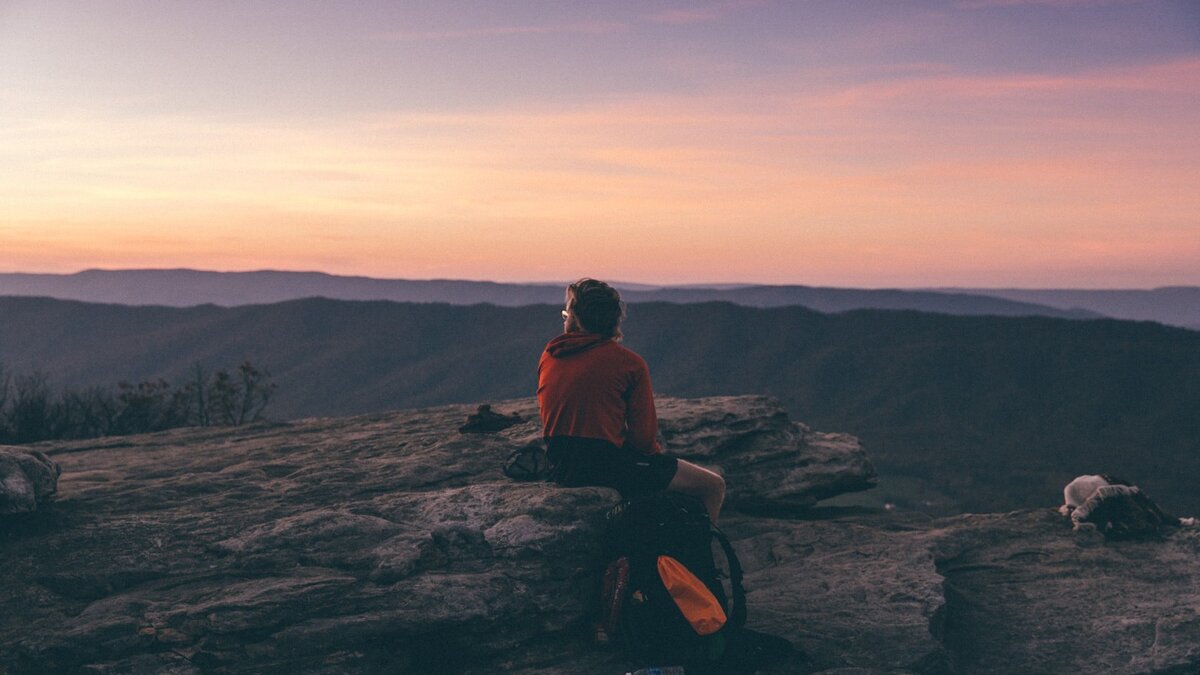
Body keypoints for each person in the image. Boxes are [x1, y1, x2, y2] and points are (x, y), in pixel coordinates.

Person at [537, 278, 726, 523]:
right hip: (605, 468)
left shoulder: (550, 355)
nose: (565, 319)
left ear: (576, 319)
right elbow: (644, 440)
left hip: (560, 465)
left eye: (566, 314)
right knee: (713, 485)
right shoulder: (629, 364)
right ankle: (700, 556)